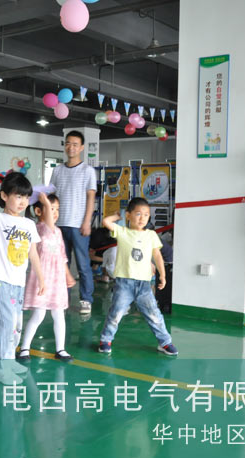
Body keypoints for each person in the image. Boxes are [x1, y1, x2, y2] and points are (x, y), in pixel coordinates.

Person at [0, 173, 45, 385]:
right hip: (0, 281)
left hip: (18, 283)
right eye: (18, 196)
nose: (23, 201)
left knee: (16, 326)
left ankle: (9, 360)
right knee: (4, 325)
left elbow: (33, 253)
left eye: (26, 197)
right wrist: (3, 183)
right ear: (5, 196)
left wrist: (41, 277)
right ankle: (1, 368)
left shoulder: (29, 224)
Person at [98, 197, 178, 356]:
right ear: (128, 215)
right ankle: (106, 340)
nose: (142, 218)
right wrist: (117, 216)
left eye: (146, 215)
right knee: (116, 313)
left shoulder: (151, 235)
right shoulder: (123, 232)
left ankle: (165, 342)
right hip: (124, 284)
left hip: (144, 285)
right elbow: (106, 222)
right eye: (138, 214)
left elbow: (157, 255)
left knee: (154, 314)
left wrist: (163, 275)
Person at [18, 193, 76, 363]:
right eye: (51, 209)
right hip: (42, 277)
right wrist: (43, 201)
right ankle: (24, 348)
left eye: (57, 209)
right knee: (39, 315)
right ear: (38, 211)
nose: (55, 212)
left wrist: (68, 275)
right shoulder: (37, 229)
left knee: (59, 314)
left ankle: (60, 349)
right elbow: (48, 226)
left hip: (57, 279)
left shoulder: (58, 232)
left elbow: (62, 256)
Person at [50, 131, 97, 315]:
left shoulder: (88, 171)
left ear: (82, 147)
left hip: (78, 225)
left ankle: (86, 299)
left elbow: (91, 197)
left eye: (75, 144)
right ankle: (64, 298)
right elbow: (51, 196)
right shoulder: (57, 170)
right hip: (59, 224)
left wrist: (87, 222)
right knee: (61, 264)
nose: (71, 147)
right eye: (68, 143)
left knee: (83, 265)